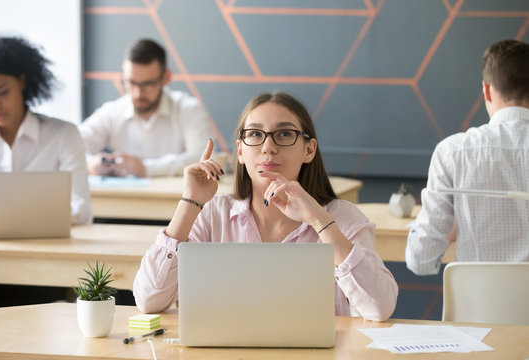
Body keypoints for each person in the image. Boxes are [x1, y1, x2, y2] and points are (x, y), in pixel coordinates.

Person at [133, 92, 398, 321]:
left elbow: (379, 308)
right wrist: (191, 202)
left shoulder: (342, 217)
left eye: (284, 134)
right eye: (255, 135)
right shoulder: (214, 214)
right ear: (240, 151)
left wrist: (318, 219)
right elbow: (148, 300)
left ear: (309, 150)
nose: (268, 147)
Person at [406, 39, 529, 275]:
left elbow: (420, 261)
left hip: (477, 310)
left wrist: (451, 228)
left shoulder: (452, 152)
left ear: (486, 89)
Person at [0, 34, 91, 224]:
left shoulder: (63, 135)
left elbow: (81, 210)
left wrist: (13, 219)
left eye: (2, 92)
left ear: (22, 81)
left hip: (52, 249)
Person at [80, 39, 212, 178]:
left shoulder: (189, 109)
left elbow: (204, 160)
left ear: (166, 78)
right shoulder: (111, 112)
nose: (138, 93)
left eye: (148, 84)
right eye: (131, 83)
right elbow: (72, 148)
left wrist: (145, 168)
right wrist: (91, 164)